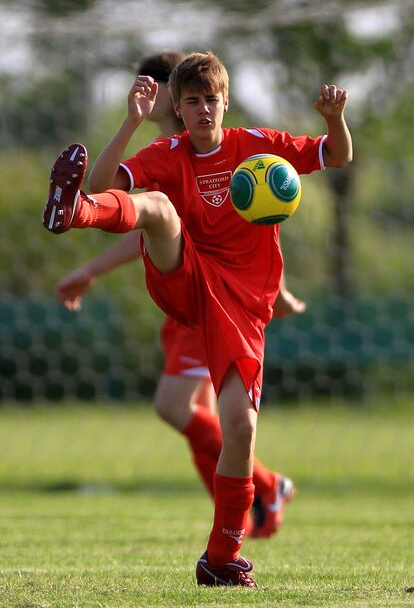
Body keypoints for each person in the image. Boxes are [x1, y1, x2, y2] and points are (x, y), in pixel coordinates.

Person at [42, 51, 352, 587]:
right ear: (179, 110)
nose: (204, 109)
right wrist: (132, 120)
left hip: (243, 306)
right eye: (192, 101)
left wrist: (333, 119)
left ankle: (220, 559)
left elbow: (336, 155)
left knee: (241, 426)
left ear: (225, 102)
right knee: (158, 209)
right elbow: (101, 178)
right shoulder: (167, 152)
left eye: (212, 99)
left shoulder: (257, 146)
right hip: (186, 280)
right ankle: (72, 216)